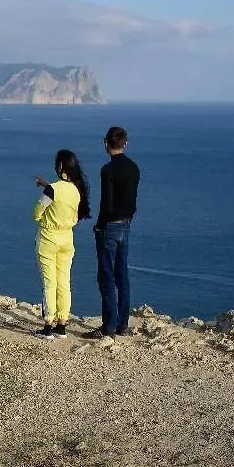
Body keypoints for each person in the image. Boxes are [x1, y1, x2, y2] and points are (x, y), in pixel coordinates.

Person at [84, 126, 141, 339]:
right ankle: (122, 324)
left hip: (109, 228)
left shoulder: (107, 170)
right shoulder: (134, 168)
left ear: (105, 142)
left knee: (106, 277)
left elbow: (106, 205)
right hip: (126, 225)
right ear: (125, 143)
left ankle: (108, 326)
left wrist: (99, 226)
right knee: (122, 276)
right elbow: (132, 201)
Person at [32, 150, 91, 340]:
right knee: (64, 282)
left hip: (49, 238)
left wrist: (46, 190)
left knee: (49, 283)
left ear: (59, 167)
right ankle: (62, 325)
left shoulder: (52, 190)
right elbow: (65, 202)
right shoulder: (76, 189)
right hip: (67, 239)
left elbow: (37, 212)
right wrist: (47, 185)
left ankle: (48, 325)